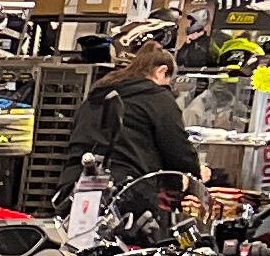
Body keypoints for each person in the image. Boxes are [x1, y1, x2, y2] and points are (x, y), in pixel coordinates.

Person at [73, 26, 201, 187]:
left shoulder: (97, 92)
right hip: (127, 188)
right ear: (162, 71)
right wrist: (198, 171)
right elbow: (177, 150)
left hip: (75, 184)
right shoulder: (157, 97)